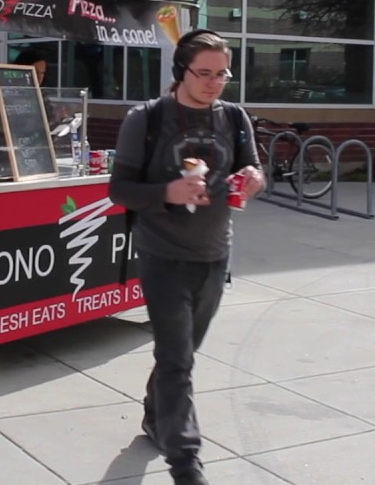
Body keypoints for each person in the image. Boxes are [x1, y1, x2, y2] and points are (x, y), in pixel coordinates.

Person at [107, 29, 265, 485]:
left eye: (222, 74)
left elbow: (254, 168)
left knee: (181, 352)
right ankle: (186, 464)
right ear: (181, 71)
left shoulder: (233, 117)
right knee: (178, 361)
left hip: (215, 253)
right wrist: (168, 192)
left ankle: (156, 413)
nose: (214, 83)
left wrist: (254, 180)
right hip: (163, 255)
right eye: (204, 73)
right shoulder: (147, 118)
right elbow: (119, 189)